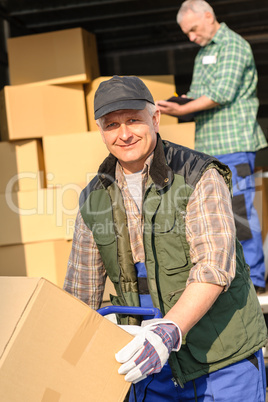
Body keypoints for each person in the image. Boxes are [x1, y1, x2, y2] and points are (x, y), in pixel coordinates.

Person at [64, 75, 267, 401]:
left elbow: (214, 265)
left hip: (221, 355)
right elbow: (79, 292)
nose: (124, 133)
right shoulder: (93, 198)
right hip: (147, 365)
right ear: (101, 132)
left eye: (133, 120)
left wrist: (168, 331)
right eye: (112, 125)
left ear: (155, 118)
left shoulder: (198, 174)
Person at [156, 0, 268, 293]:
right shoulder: (204, 54)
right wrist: (177, 103)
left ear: (208, 17)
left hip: (233, 142)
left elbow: (221, 93)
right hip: (208, 148)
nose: (191, 37)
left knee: (239, 209)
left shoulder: (232, 45)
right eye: (187, 33)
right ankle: (227, 275)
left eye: (193, 29)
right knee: (213, 212)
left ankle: (254, 278)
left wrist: (182, 110)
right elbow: (197, 95)